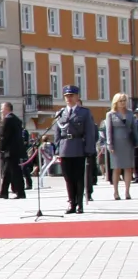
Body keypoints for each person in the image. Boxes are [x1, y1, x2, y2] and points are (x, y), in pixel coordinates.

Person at [52, 85, 97, 214]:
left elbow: (89, 132)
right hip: (65, 148)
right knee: (68, 178)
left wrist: (89, 149)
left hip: (78, 147)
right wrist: (57, 150)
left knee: (78, 177)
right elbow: (57, 133)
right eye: (67, 96)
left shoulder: (84, 112)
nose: (69, 98)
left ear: (77, 97)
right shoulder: (61, 113)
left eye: (71, 96)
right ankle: (71, 202)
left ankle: (79, 204)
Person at [0, 102, 27, 200]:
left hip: (10, 150)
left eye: (2, 108)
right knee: (7, 172)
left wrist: (0, 148)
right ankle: (4, 192)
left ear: (7, 109)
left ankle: (20, 192)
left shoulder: (7, 120)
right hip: (16, 149)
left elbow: (4, 136)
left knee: (15, 172)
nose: (1, 110)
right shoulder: (16, 119)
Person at [106, 92, 135, 201]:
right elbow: (109, 131)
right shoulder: (111, 114)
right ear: (116, 102)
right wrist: (110, 144)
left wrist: (136, 142)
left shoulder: (130, 113)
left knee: (128, 167)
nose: (123, 103)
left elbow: (134, 128)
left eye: (124, 100)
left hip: (128, 143)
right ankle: (116, 192)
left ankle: (127, 192)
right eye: (121, 101)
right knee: (116, 168)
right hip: (116, 144)